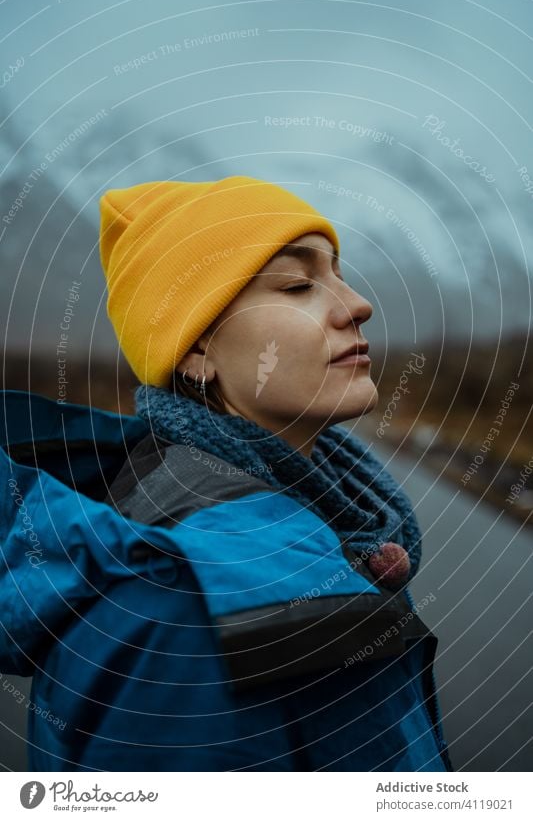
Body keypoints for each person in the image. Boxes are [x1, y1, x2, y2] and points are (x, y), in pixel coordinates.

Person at [0, 175, 453, 772]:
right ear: (197, 351)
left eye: (339, 275)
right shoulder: (179, 591)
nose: (357, 305)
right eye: (296, 284)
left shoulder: (340, 525)